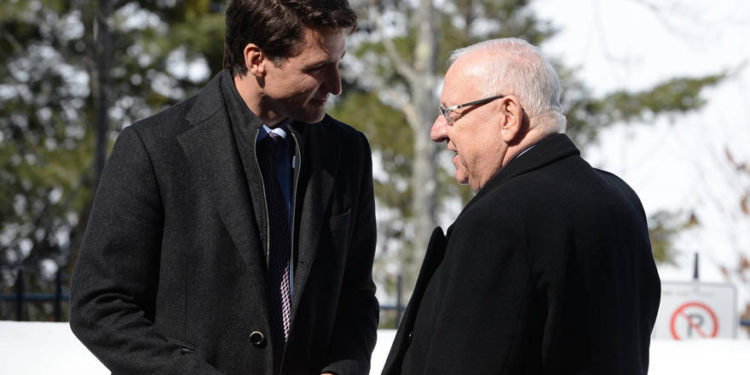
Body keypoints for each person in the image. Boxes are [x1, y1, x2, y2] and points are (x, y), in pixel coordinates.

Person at [69, 1, 378, 374]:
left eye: (338, 62)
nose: (336, 85)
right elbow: (99, 306)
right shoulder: (153, 148)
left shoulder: (348, 151)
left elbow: (357, 295)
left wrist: (339, 371)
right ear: (256, 59)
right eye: (317, 68)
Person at [382, 38, 661, 374]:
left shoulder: (500, 219)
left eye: (450, 113)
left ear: (508, 116)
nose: (437, 131)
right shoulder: (619, 197)